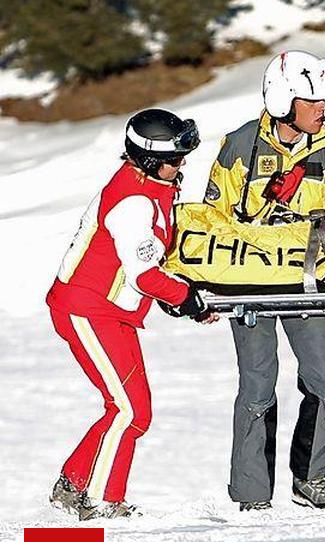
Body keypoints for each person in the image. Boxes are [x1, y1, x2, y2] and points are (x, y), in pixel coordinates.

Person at [204, 50, 325, 511]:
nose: (324, 110)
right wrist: (211, 291)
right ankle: (253, 496)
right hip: (250, 287)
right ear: (283, 99)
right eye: (313, 101)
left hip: (311, 285)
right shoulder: (240, 145)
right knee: (257, 386)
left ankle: (310, 479)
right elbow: (213, 222)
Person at [47, 108, 210, 520]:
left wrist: (182, 299)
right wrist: (187, 299)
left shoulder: (151, 187)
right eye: (176, 158)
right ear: (153, 161)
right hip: (88, 309)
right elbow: (143, 276)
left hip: (108, 311)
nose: (183, 164)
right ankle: (102, 501)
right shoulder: (135, 202)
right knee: (130, 411)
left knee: (127, 407)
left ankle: (75, 483)